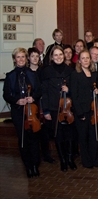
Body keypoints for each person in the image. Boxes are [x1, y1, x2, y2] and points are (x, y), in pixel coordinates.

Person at [3, 48, 42, 178]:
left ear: (26, 59)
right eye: (18, 57)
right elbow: (6, 95)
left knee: (34, 138)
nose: (20, 59)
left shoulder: (32, 73)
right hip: (19, 111)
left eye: (23, 57)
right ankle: (28, 166)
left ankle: (35, 165)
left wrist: (33, 98)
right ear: (14, 59)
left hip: (32, 111)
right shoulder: (10, 76)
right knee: (23, 139)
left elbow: (39, 90)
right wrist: (17, 100)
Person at [41, 46, 76, 172]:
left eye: (60, 54)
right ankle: (63, 160)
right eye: (55, 55)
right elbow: (44, 92)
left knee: (70, 135)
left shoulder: (70, 70)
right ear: (51, 57)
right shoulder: (46, 71)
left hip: (68, 108)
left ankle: (70, 159)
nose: (58, 57)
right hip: (54, 108)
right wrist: (46, 110)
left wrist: (69, 90)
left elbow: (75, 90)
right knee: (58, 135)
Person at [70, 50, 98, 168]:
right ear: (79, 61)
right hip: (82, 110)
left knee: (94, 136)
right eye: (83, 58)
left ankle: (95, 160)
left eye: (87, 58)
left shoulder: (94, 73)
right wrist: (79, 113)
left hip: (93, 110)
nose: (86, 60)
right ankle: (86, 161)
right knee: (83, 137)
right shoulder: (75, 74)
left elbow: (96, 88)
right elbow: (74, 95)